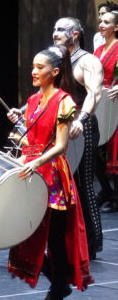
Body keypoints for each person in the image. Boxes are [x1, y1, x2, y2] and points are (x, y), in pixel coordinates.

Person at [6, 45, 92, 300]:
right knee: (22, 232)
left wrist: (34, 162)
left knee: (55, 241)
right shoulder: (32, 102)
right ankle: (58, 284)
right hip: (32, 172)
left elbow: (59, 146)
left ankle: (57, 297)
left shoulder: (64, 101)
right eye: (32, 66)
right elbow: (30, 141)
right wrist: (18, 135)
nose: (34, 71)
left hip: (53, 175)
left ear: (54, 72)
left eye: (39, 67)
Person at [53, 17, 104, 259]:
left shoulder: (88, 61)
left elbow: (94, 94)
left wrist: (81, 120)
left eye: (61, 29)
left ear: (75, 34)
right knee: (66, 184)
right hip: (64, 126)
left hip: (83, 126)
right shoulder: (59, 61)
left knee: (83, 184)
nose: (55, 33)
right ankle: (72, 238)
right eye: (54, 29)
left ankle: (92, 242)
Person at [95, 10, 118, 212]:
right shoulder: (99, 49)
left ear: (116, 27)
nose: (101, 24)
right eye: (101, 21)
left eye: (107, 22)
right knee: (96, 151)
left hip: (115, 104)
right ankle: (107, 192)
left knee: (114, 151)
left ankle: (115, 197)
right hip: (100, 104)